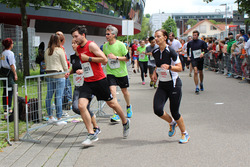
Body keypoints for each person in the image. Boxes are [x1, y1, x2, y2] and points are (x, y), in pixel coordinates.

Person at [71, 25, 130, 146]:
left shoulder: (91, 45)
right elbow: (85, 63)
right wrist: (83, 69)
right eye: (73, 37)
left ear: (83, 35)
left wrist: (89, 58)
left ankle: (125, 121)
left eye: (76, 36)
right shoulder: (78, 48)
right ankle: (91, 134)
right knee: (81, 106)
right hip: (87, 81)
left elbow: (104, 60)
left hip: (99, 80)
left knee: (112, 103)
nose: (74, 39)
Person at [152, 29, 190, 144]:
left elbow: (180, 68)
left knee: (175, 112)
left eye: (158, 36)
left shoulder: (171, 51)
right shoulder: (155, 52)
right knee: (157, 109)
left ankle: (185, 133)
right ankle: (172, 123)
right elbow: (157, 66)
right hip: (162, 84)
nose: (156, 39)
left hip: (174, 85)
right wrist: (154, 73)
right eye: (155, 37)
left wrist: (169, 67)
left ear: (165, 37)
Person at [65, 38, 100, 135]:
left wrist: (83, 71)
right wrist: (69, 73)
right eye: (72, 43)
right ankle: (91, 119)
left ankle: (95, 127)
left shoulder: (84, 56)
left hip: (88, 84)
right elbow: (74, 68)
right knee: (75, 108)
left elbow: (92, 68)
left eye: (75, 43)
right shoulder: (72, 57)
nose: (73, 45)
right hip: (78, 85)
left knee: (85, 107)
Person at [102, 25, 132, 122]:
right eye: (106, 34)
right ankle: (116, 114)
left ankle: (128, 106)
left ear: (114, 35)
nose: (106, 35)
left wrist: (116, 57)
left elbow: (127, 58)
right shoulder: (105, 46)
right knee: (112, 92)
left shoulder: (121, 45)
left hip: (121, 72)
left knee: (124, 92)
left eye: (108, 34)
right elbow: (104, 58)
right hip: (111, 72)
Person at [44, 34, 68, 125]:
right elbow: (64, 63)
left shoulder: (47, 50)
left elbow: (46, 62)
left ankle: (50, 116)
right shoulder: (60, 50)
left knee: (49, 96)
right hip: (59, 74)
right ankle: (59, 118)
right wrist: (66, 71)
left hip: (49, 74)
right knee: (58, 96)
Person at [0, 38, 18, 116]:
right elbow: (11, 64)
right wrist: (15, 74)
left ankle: (5, 107)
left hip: (3, 72)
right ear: (10, 44)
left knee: (5, 90)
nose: (13, 44)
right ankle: (9, 107)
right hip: (9, 73)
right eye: (12, 43)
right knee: (11, 89)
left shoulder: (3, 53)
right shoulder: (10, 53)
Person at [187, 30, 208, 94]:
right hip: (193, 58)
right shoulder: (190, 43)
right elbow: (188, 50)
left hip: (200, 58)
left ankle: (201, 83)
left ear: (198, 36)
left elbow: (206, 50)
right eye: (193, 35)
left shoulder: (202, 42)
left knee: (200, 72)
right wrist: (188, 56)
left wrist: (202, 53)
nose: (194, 36)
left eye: (195, 35)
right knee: (195, 71)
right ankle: (196, 87)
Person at [56, 31, 72, 110]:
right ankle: (67, 102)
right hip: (63, 71)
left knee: (61, 89)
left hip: (58, 71)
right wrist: (67, 67)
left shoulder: (53, 48)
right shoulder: (61, 49)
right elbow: (64, 60)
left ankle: (65, 103)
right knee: (65, 87)